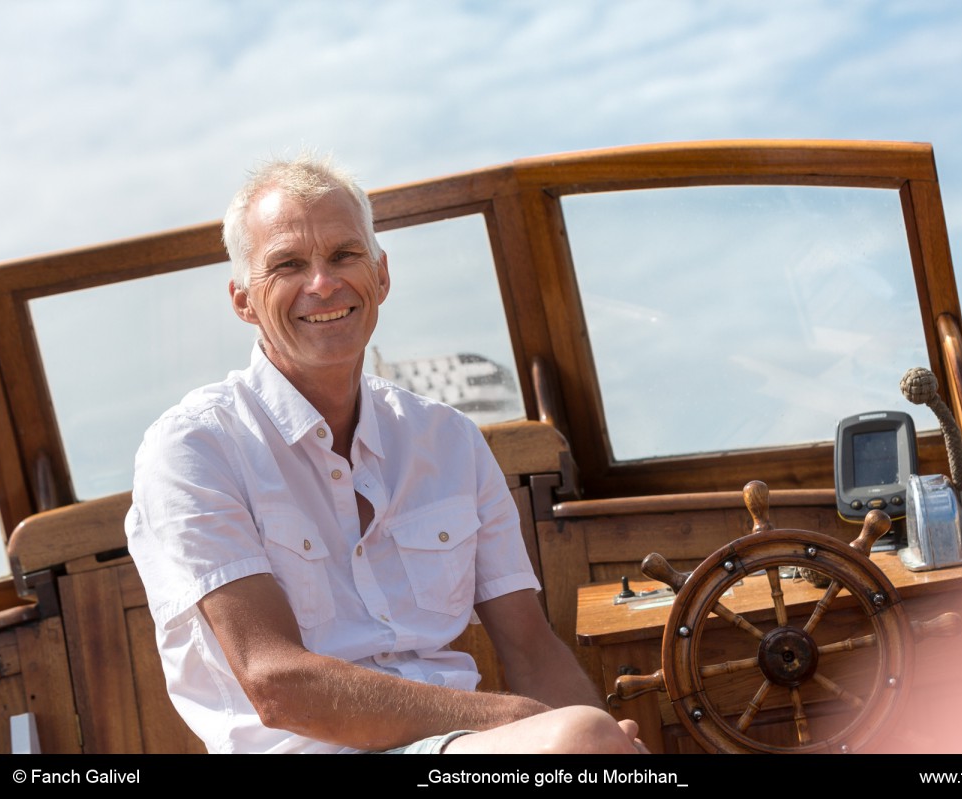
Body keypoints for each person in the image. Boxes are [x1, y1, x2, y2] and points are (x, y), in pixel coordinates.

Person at [124, 153, 646, 754]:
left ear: (382, 275)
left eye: (344, 255)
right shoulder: (194, 449)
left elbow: (530, 647)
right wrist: (528, 723)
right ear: (243, 300)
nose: (323, 283)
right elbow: (276, 685)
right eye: (288, 265)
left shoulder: (449, 441)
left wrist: (603, 737)